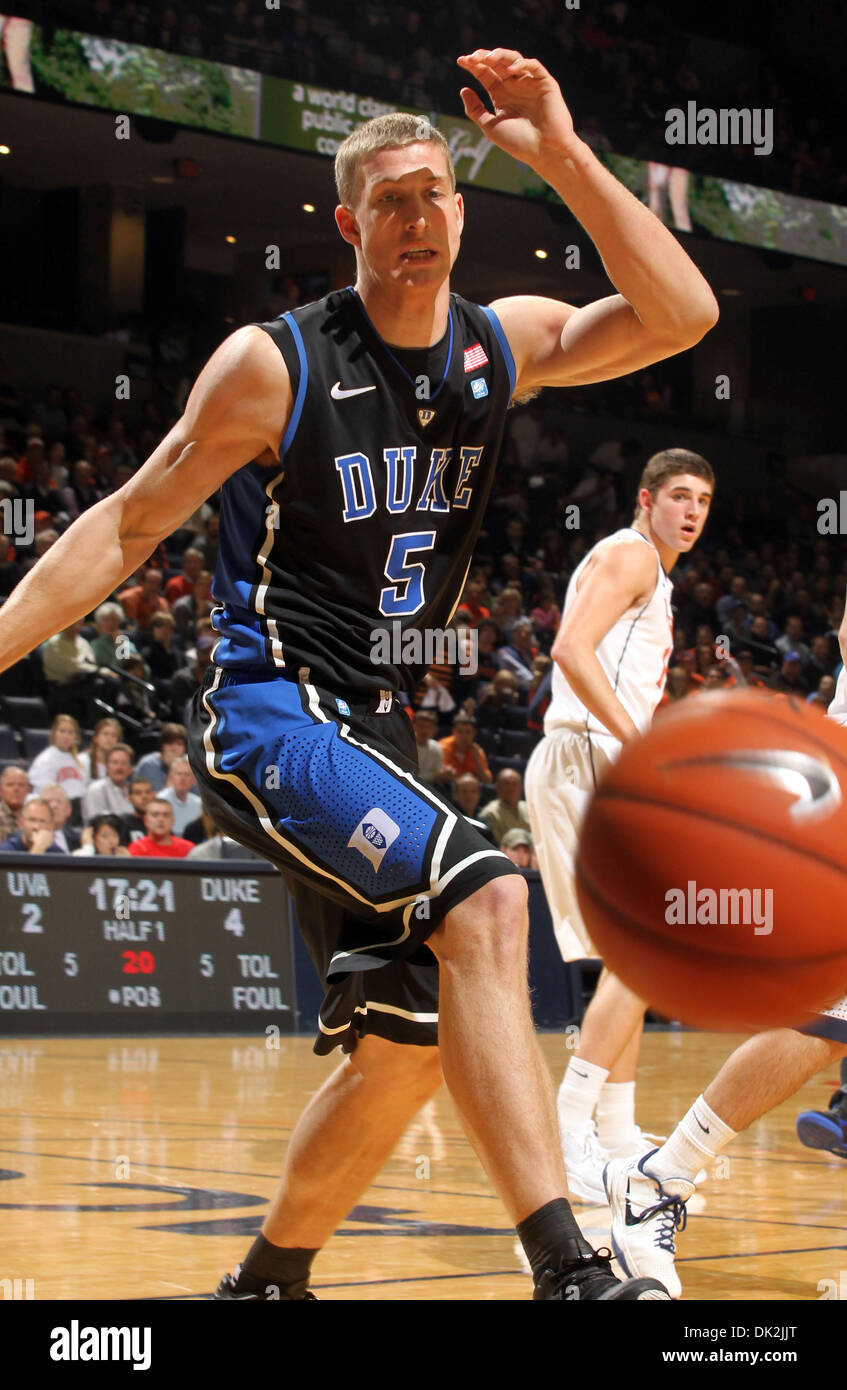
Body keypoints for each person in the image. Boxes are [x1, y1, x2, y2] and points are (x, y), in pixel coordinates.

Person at [0, 47, 717, 1303]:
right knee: (489, 902)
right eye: (390, 199)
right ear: (349, 223)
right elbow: (122, 525)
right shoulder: (271, 365)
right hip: (268, 708)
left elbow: (681, 317)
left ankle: (268, 1281)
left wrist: (558, 152)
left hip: (376, 731)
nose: (417, 217)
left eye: (437, 193)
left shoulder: (501, 349)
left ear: (462, 211)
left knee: (402, 1051)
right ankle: (569, 1268)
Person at [525, 449, 713, 1203]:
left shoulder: (648, 570)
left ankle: (612, 1136)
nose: (690, 511)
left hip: (592, 759)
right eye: (677, 495)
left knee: (630, 958)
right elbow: (568, 647)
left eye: (701, 499)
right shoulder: (633, 555)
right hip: (589, 758)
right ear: (646, 499)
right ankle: (568, 1130)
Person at [26, 713, 90, 807]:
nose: (66, 736)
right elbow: (43, 793)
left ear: (75, 736)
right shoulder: (45, 760)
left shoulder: (78, 760)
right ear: (54, 734)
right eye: (62, 731)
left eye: (70, 732)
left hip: (77, 807)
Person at [81, 743, 135, 822]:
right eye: (115, 763)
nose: (119, 767)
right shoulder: (96, 790)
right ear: (107, 767)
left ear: (130, 769)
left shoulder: (135, 791)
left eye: (124, 763)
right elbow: (96, 823)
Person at [479, 767, 532, 844]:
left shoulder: (529, 808)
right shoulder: (490, 813)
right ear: (497, 787)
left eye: (514, 784)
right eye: (506, 783)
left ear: (521, 787)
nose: (511, 788)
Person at [128, 799, 193, 859]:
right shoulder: (137, 848)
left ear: (172, 820)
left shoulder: (188, 848)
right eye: (155, 815)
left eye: (166, 815)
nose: (160, 819)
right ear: (146, 820)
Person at [0, 796, 66, 854]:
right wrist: (39, 847)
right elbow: (24, 869)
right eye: (32, 820)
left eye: (42, 821)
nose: (36, 827)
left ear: (51, 826)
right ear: (21, 823)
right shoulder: (7, 849)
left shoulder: (56, 852)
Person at [159, 756, 202, 834]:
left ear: (194, 780)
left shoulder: (199, 803)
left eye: (187, 775)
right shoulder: (161, 800)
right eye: (178, 774)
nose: (182, 778)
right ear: (171, 777)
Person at [38, 784, 83, 852]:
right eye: (48, 801)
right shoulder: (27, 836)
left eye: (59, 801)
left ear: (68, 810)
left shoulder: (79, 839)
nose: (54, 805)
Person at [0, 765, 30, 840]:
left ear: (28, 790)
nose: (16, 789)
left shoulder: (36, 816)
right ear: (1, 790)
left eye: (21, 785)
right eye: (10, 785)